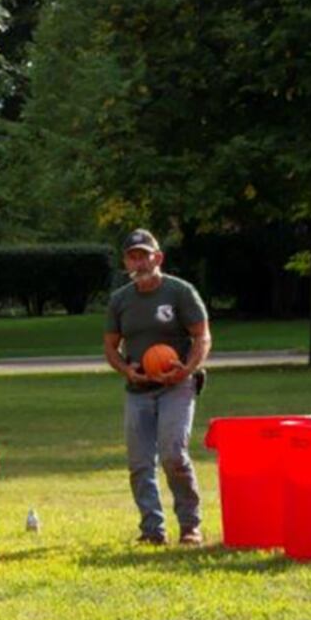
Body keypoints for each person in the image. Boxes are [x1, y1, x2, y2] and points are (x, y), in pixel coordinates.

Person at [102, 228, 213, 546]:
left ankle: (190, 525)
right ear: (126, 261)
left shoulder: (180, 292)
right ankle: (152, 530)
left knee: (173, 455)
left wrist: (187, 368)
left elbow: (202, 336)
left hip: (177, 386)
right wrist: (126, 369)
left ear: (158, 257)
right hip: (138, 389)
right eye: (132, 256)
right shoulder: (120, 300)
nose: (138, 262)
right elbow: (111, 347)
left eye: (143, 255)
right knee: (139, 463)